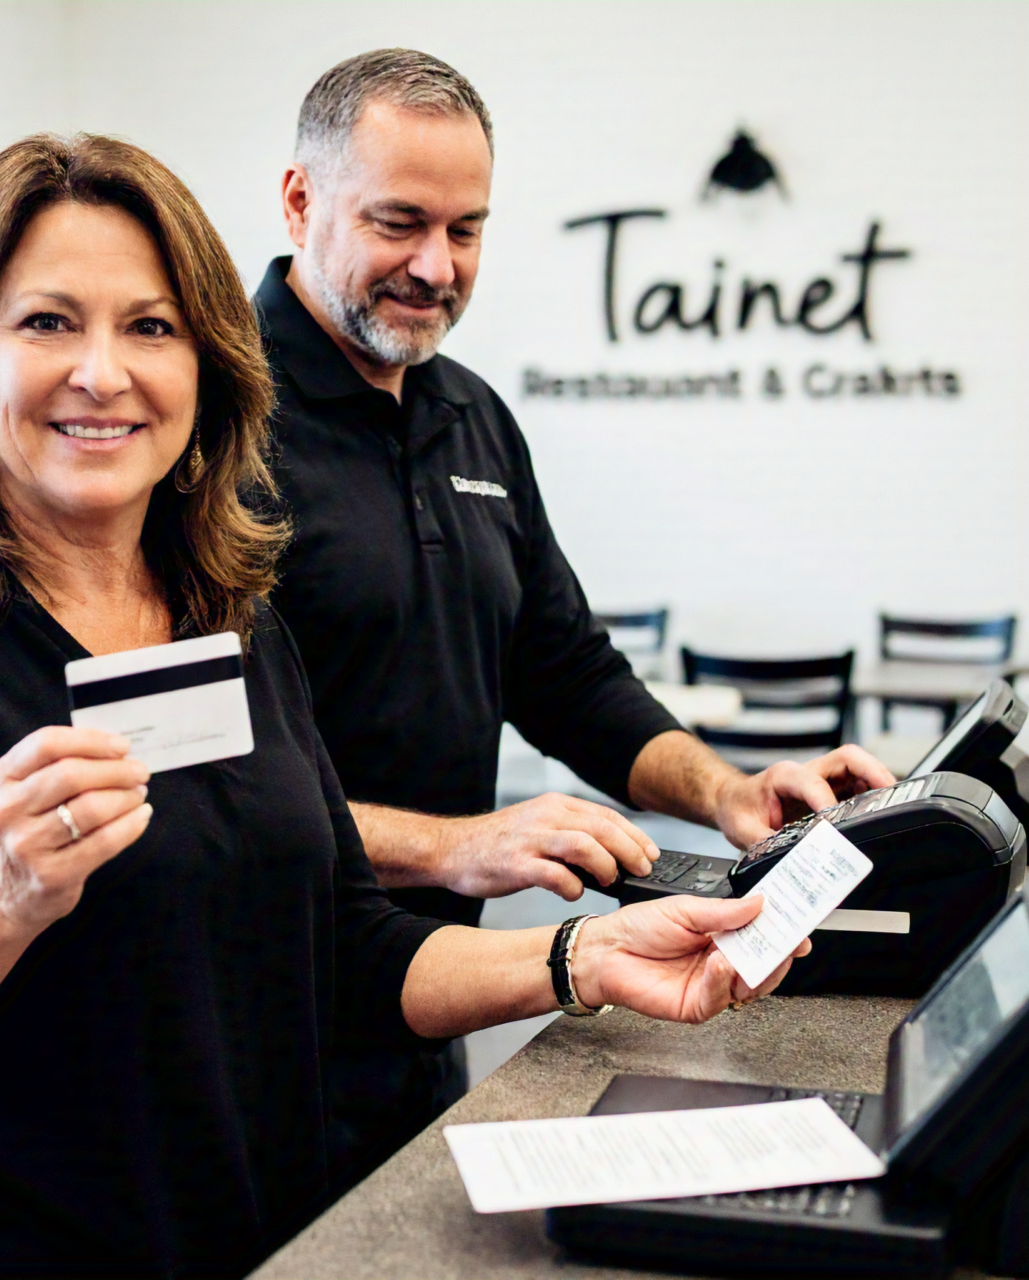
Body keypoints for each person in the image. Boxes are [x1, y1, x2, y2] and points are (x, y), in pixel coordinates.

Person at [0, 133, 806, 1280]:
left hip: (262, 1235)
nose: (103, 373)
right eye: (48, 322)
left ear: (203, 367)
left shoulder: (234, 620)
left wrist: (584, 956)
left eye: (149, 327)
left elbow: (348, 947)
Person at [256, 49, 897, 1186]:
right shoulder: (212, 426)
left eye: (466, 231)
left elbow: (563, 670)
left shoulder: (471, 417)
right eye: (398, 222)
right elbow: (197, 790)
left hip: (424, 988)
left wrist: (728, 792)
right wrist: (457, 845)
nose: (434, 266)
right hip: (248, 1004)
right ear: (300, 198)